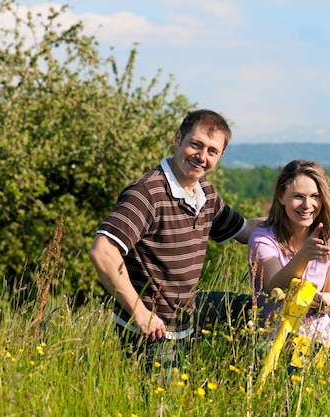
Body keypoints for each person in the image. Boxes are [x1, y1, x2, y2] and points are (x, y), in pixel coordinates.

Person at [89, 109, 261, 370]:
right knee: (165, 406)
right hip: (151, 333)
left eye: (212, 151)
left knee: (257, 309)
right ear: (178, 138)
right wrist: (140, 313)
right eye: (196, 145)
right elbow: (103, 252)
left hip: (185, 318)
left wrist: (301, 224)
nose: (202, 157)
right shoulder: (147, 193)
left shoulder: (205, 193)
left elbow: (247, 229)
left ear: (220, 156)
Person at [248, 159, 330, 345]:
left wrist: (316, 300)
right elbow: (273, 284)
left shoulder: (328, 238)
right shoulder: (263, 238)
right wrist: (303, 257)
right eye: (298, 196)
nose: (307, 205)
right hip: (272, 341)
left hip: (318, 341)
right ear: (281, 196)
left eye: (315, 196)